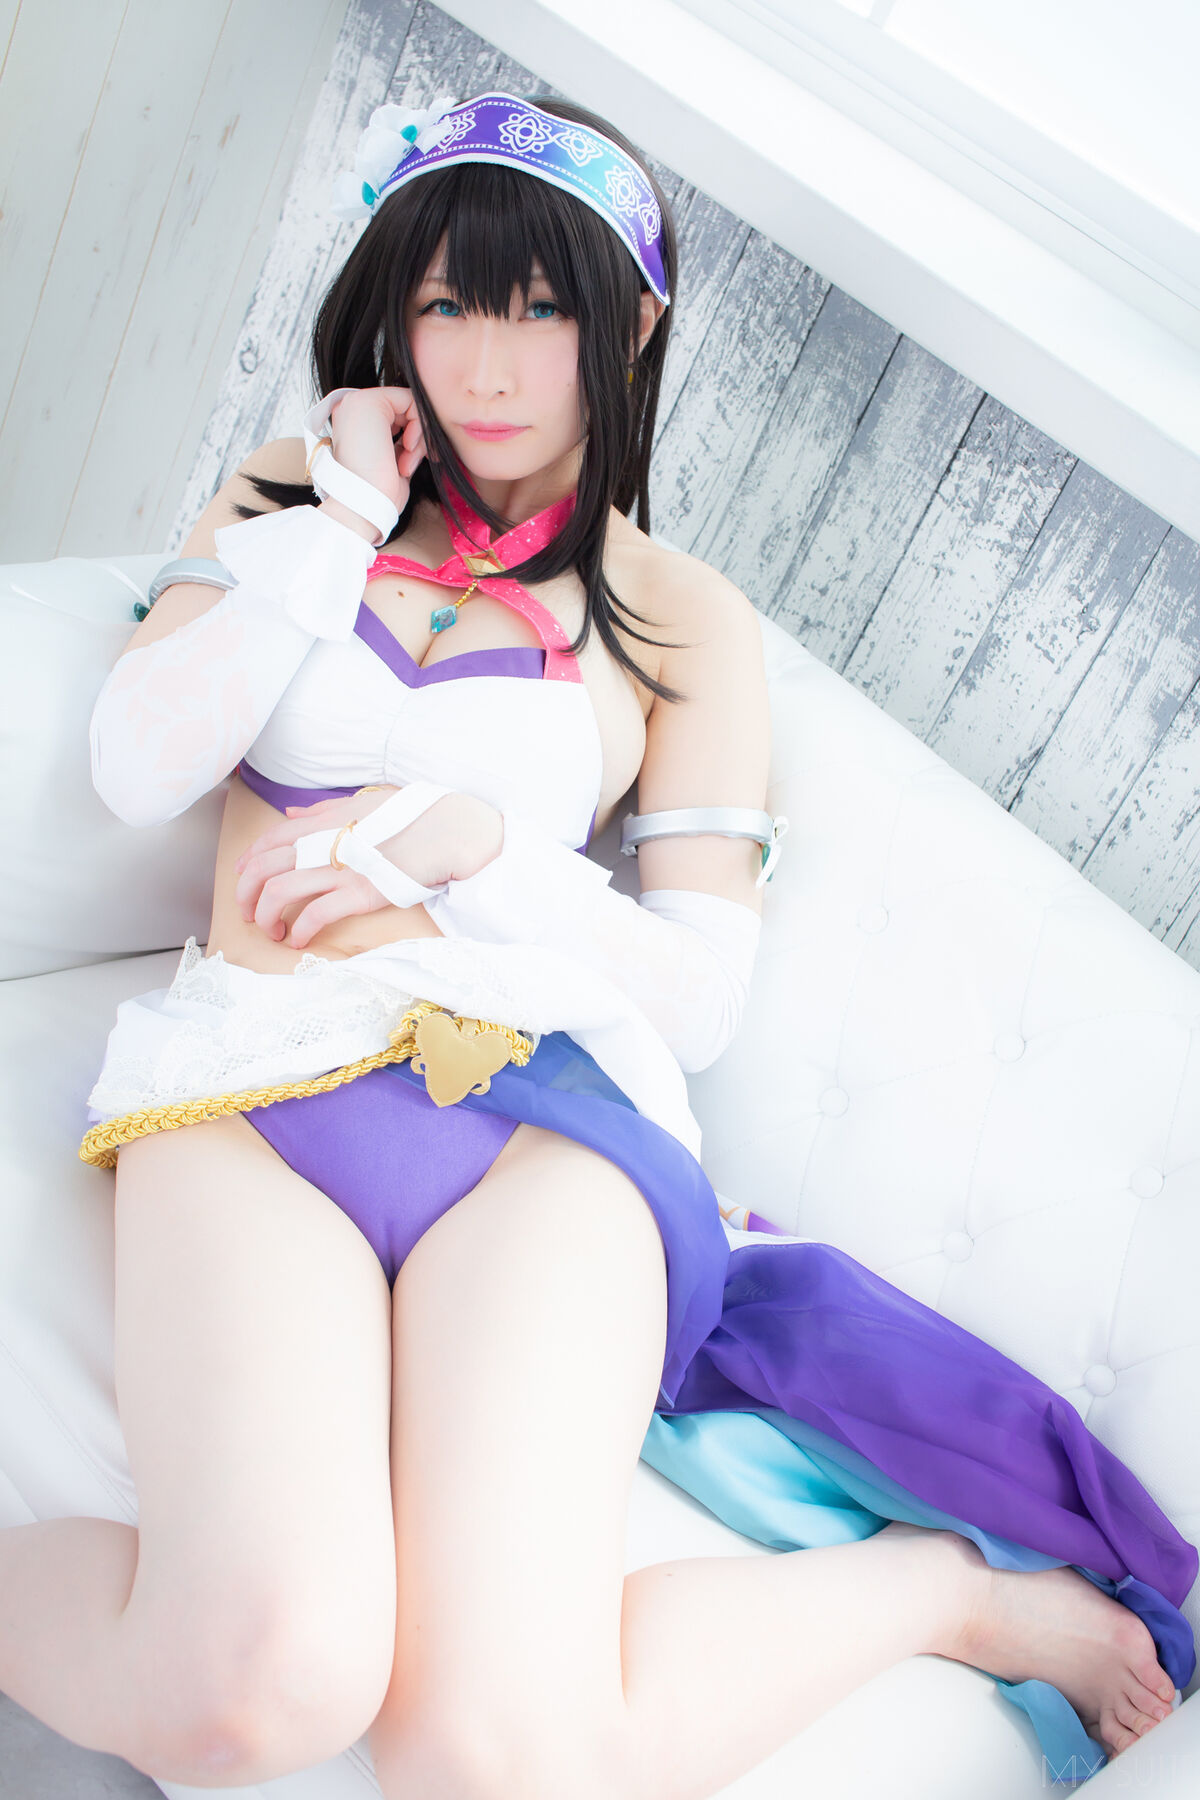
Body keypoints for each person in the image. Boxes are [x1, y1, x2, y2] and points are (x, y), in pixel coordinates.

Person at [4, 89, 1188, 1798]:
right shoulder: (284, 497)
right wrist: (337, 526)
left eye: (541, 308)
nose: (486, 365)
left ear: (627, 328)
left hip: (540, 1135)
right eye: (447, 304)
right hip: (250, 1090)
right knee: (255, 1680)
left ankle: (939, 1592)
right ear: (395, 312)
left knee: (489, 1757)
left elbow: (696, 994)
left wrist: (485, 850)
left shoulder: (683, 617)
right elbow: (142, 763)